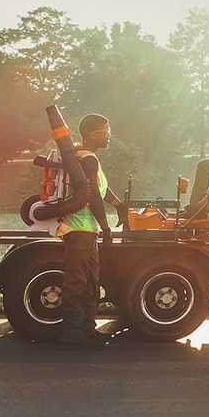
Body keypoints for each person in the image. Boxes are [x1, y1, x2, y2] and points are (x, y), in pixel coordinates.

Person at [34, 113, 124, 349]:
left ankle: (87, 328)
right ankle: (72, 332)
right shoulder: (87, 159)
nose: (109, 134)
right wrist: (106, 226)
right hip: (79, 229)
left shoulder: (84, 156)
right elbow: (92, 195)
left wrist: (119, 206)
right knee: (78, 281)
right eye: (106, 130)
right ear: (93, 133)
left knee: (91, 281)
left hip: (87, 229)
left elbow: (101, 190)